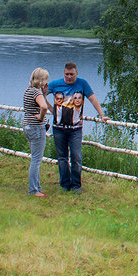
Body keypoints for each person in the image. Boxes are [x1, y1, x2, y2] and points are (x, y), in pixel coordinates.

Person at [47, 62, 107, 193]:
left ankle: (76, 185)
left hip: (75, 129)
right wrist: (48, 108)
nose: (69, 77)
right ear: (64, 73)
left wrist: (101, 115)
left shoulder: (82, 84)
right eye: (67, 74)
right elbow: (40, 93)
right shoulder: (55, 84)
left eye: (71, 74)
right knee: (62, 157)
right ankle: (64, 184)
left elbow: (93, 99)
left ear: (76, 73)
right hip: (58, 128)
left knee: (76, 156)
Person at [22, 68, 51, 197]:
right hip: (36, 128)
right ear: (42, 80)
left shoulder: (28, 91)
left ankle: (37, 187)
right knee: (36, 160)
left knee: (35, 157)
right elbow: (44, 106)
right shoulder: (36, 93)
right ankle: (33, 189)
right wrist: (41, 117)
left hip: (27, 126)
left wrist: (43, 94)